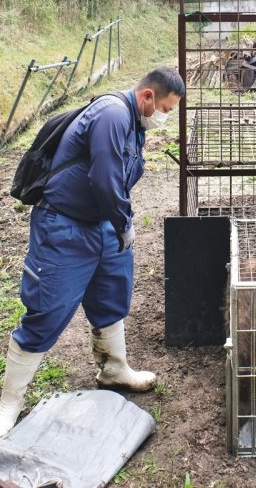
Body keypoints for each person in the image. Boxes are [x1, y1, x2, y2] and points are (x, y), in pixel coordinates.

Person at [0, 66, 185, 438]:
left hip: (103, 223)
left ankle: (113, 368)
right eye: (165, 107)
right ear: (147, 96)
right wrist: (123, 222)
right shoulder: (113, 114)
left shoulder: (134, 122)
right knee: (48, 308)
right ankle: (9, 401)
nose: (165, 116)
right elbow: (104, 178)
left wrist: (118, 222)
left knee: (112, 295)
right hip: (66, 226)